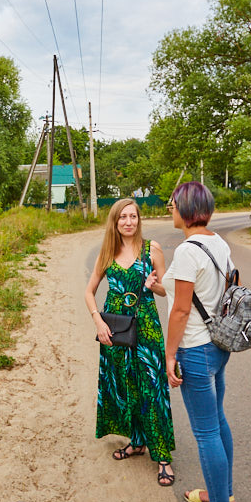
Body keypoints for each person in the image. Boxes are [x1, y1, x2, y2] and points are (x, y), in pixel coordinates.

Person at [163, 181, 238, 502]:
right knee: (218, 421)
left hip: (194, 348)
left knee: (206, 432)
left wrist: (170, 355)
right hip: (219, 346)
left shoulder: (187, 251)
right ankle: (224, 495)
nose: (169, 209)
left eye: (172, 204)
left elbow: (180, 309)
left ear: (186, 209)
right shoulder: (219, 244)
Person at [84, 198, 176, 486]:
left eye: (133, 216)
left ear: (139, 220)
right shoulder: (107, 252)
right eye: (122, 217)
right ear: (115, 221)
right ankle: (136, 442)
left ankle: (162, 457)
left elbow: (166, 290)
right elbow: (89, 292)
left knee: (152, 386)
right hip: (115, 327)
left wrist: (154, 286)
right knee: (126, 384)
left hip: (147, 325)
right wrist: (98, 321)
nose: (128, 222)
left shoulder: (153, 250)